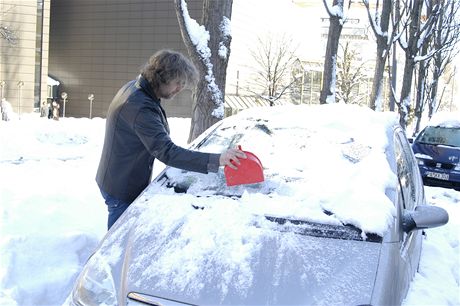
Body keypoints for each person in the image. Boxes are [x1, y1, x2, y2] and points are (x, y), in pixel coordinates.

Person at [96, 49, 246, 230]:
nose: (179, 89)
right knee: (115, 246)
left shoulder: (137, 89)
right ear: (162, 77)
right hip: (121, 187)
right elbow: (166, 152)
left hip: (118, 177)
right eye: (177, 83)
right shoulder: (140, 107)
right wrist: (218, 159)